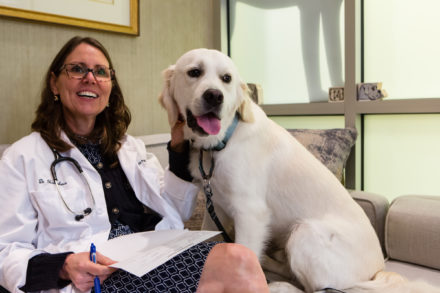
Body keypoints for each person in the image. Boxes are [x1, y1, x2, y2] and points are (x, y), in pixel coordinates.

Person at [0, 36, 269, 293]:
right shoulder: (22, 157)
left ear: (109, 87)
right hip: (98, 277)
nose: (90, 78)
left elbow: (175, 212)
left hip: (156, 257)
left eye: (101, 72)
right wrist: (63, 266)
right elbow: (5, 249)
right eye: (77, 69)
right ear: (54, 84)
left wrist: (177, 148)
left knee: (239, 258)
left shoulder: (129, 147)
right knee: (238, 263)